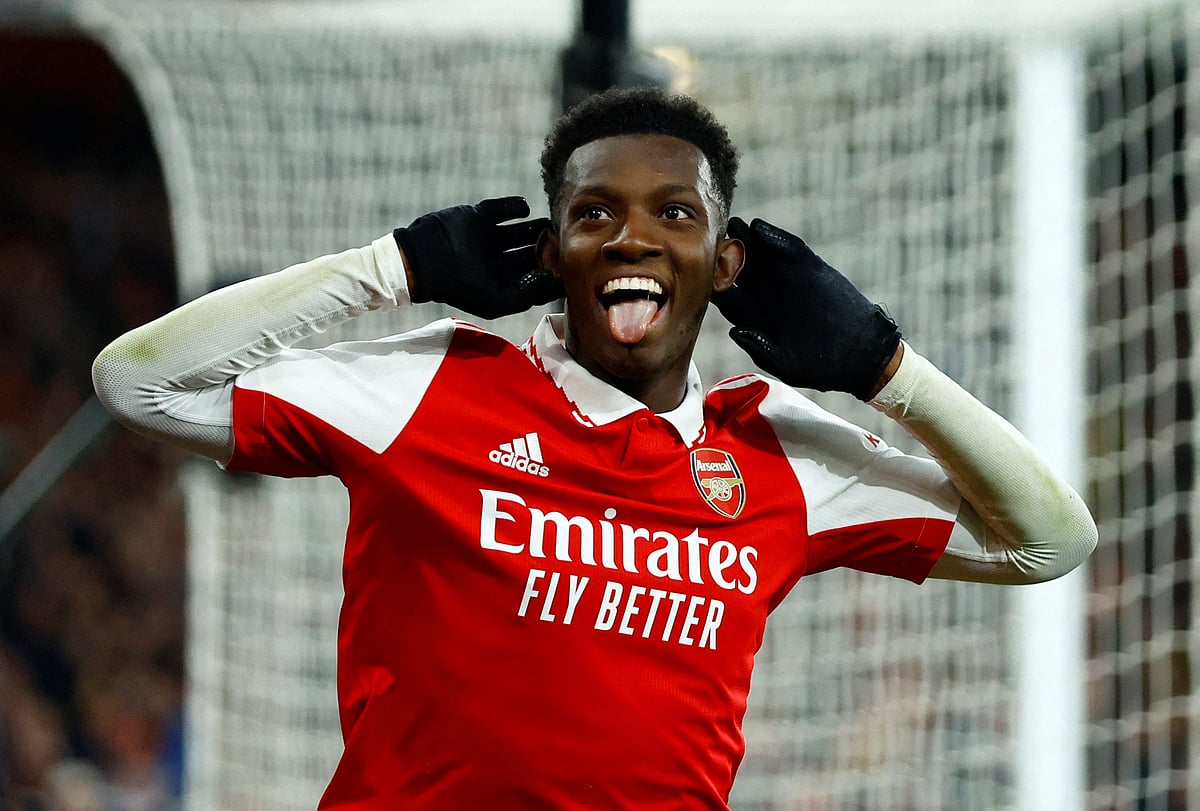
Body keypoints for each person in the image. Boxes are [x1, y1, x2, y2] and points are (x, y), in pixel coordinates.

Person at [91, 87, 1097, 809]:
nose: (632, 238)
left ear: (727, 260)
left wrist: (887, 369)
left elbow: (1049, 540)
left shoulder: (783, 452)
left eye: (676, 213)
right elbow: (134, 382)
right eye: (593, 213)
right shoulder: (430, 385)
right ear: (549, 253)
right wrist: (386, 267)